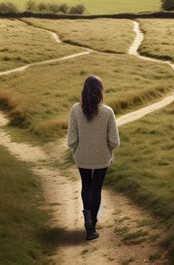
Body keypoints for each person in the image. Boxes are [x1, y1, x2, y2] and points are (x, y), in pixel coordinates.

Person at [66, 75, 120, 241]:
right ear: (100, 92)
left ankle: (88, 223)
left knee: (86, 186)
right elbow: (114, 141)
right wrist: (106, 150)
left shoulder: (75, 110)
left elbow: (71, 140)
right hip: (102, 158)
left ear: (84, 91)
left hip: (82, 157)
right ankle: (92, 225)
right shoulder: (108, 112)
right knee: (96, 189)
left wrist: (78, 151)